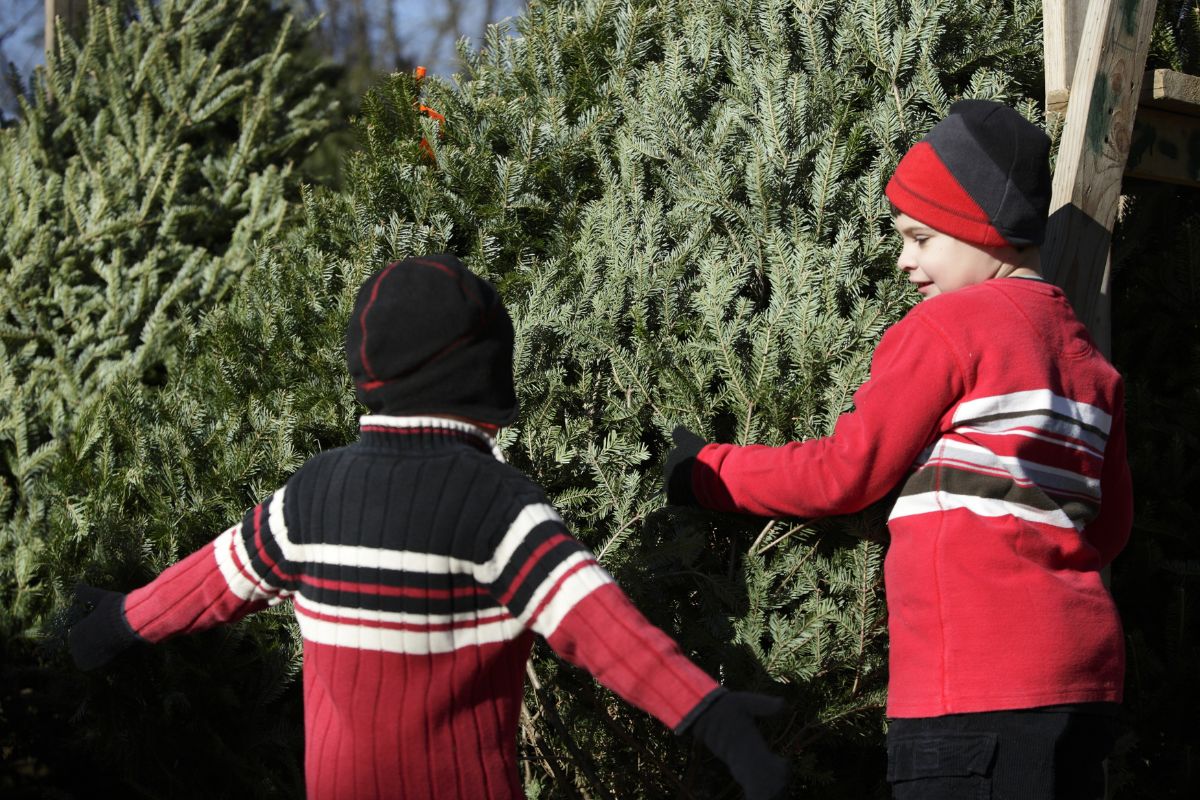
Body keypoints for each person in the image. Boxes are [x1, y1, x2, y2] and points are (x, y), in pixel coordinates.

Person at [69, 254, 790, 800]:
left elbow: (209, 582)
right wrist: (709, 713)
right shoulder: (495, 505)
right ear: (481, 375)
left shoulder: (311, 496)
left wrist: (115, 622)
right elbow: (603, 629)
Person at [663, 100, 1131, 800]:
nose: (906, 261)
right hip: (1086, 683)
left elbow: (846, 471)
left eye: (920, 237)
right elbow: (1111, 527)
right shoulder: (1091, 360)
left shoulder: (950, 325)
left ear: (984, 228)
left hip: (972, 694)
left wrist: (707, 471)